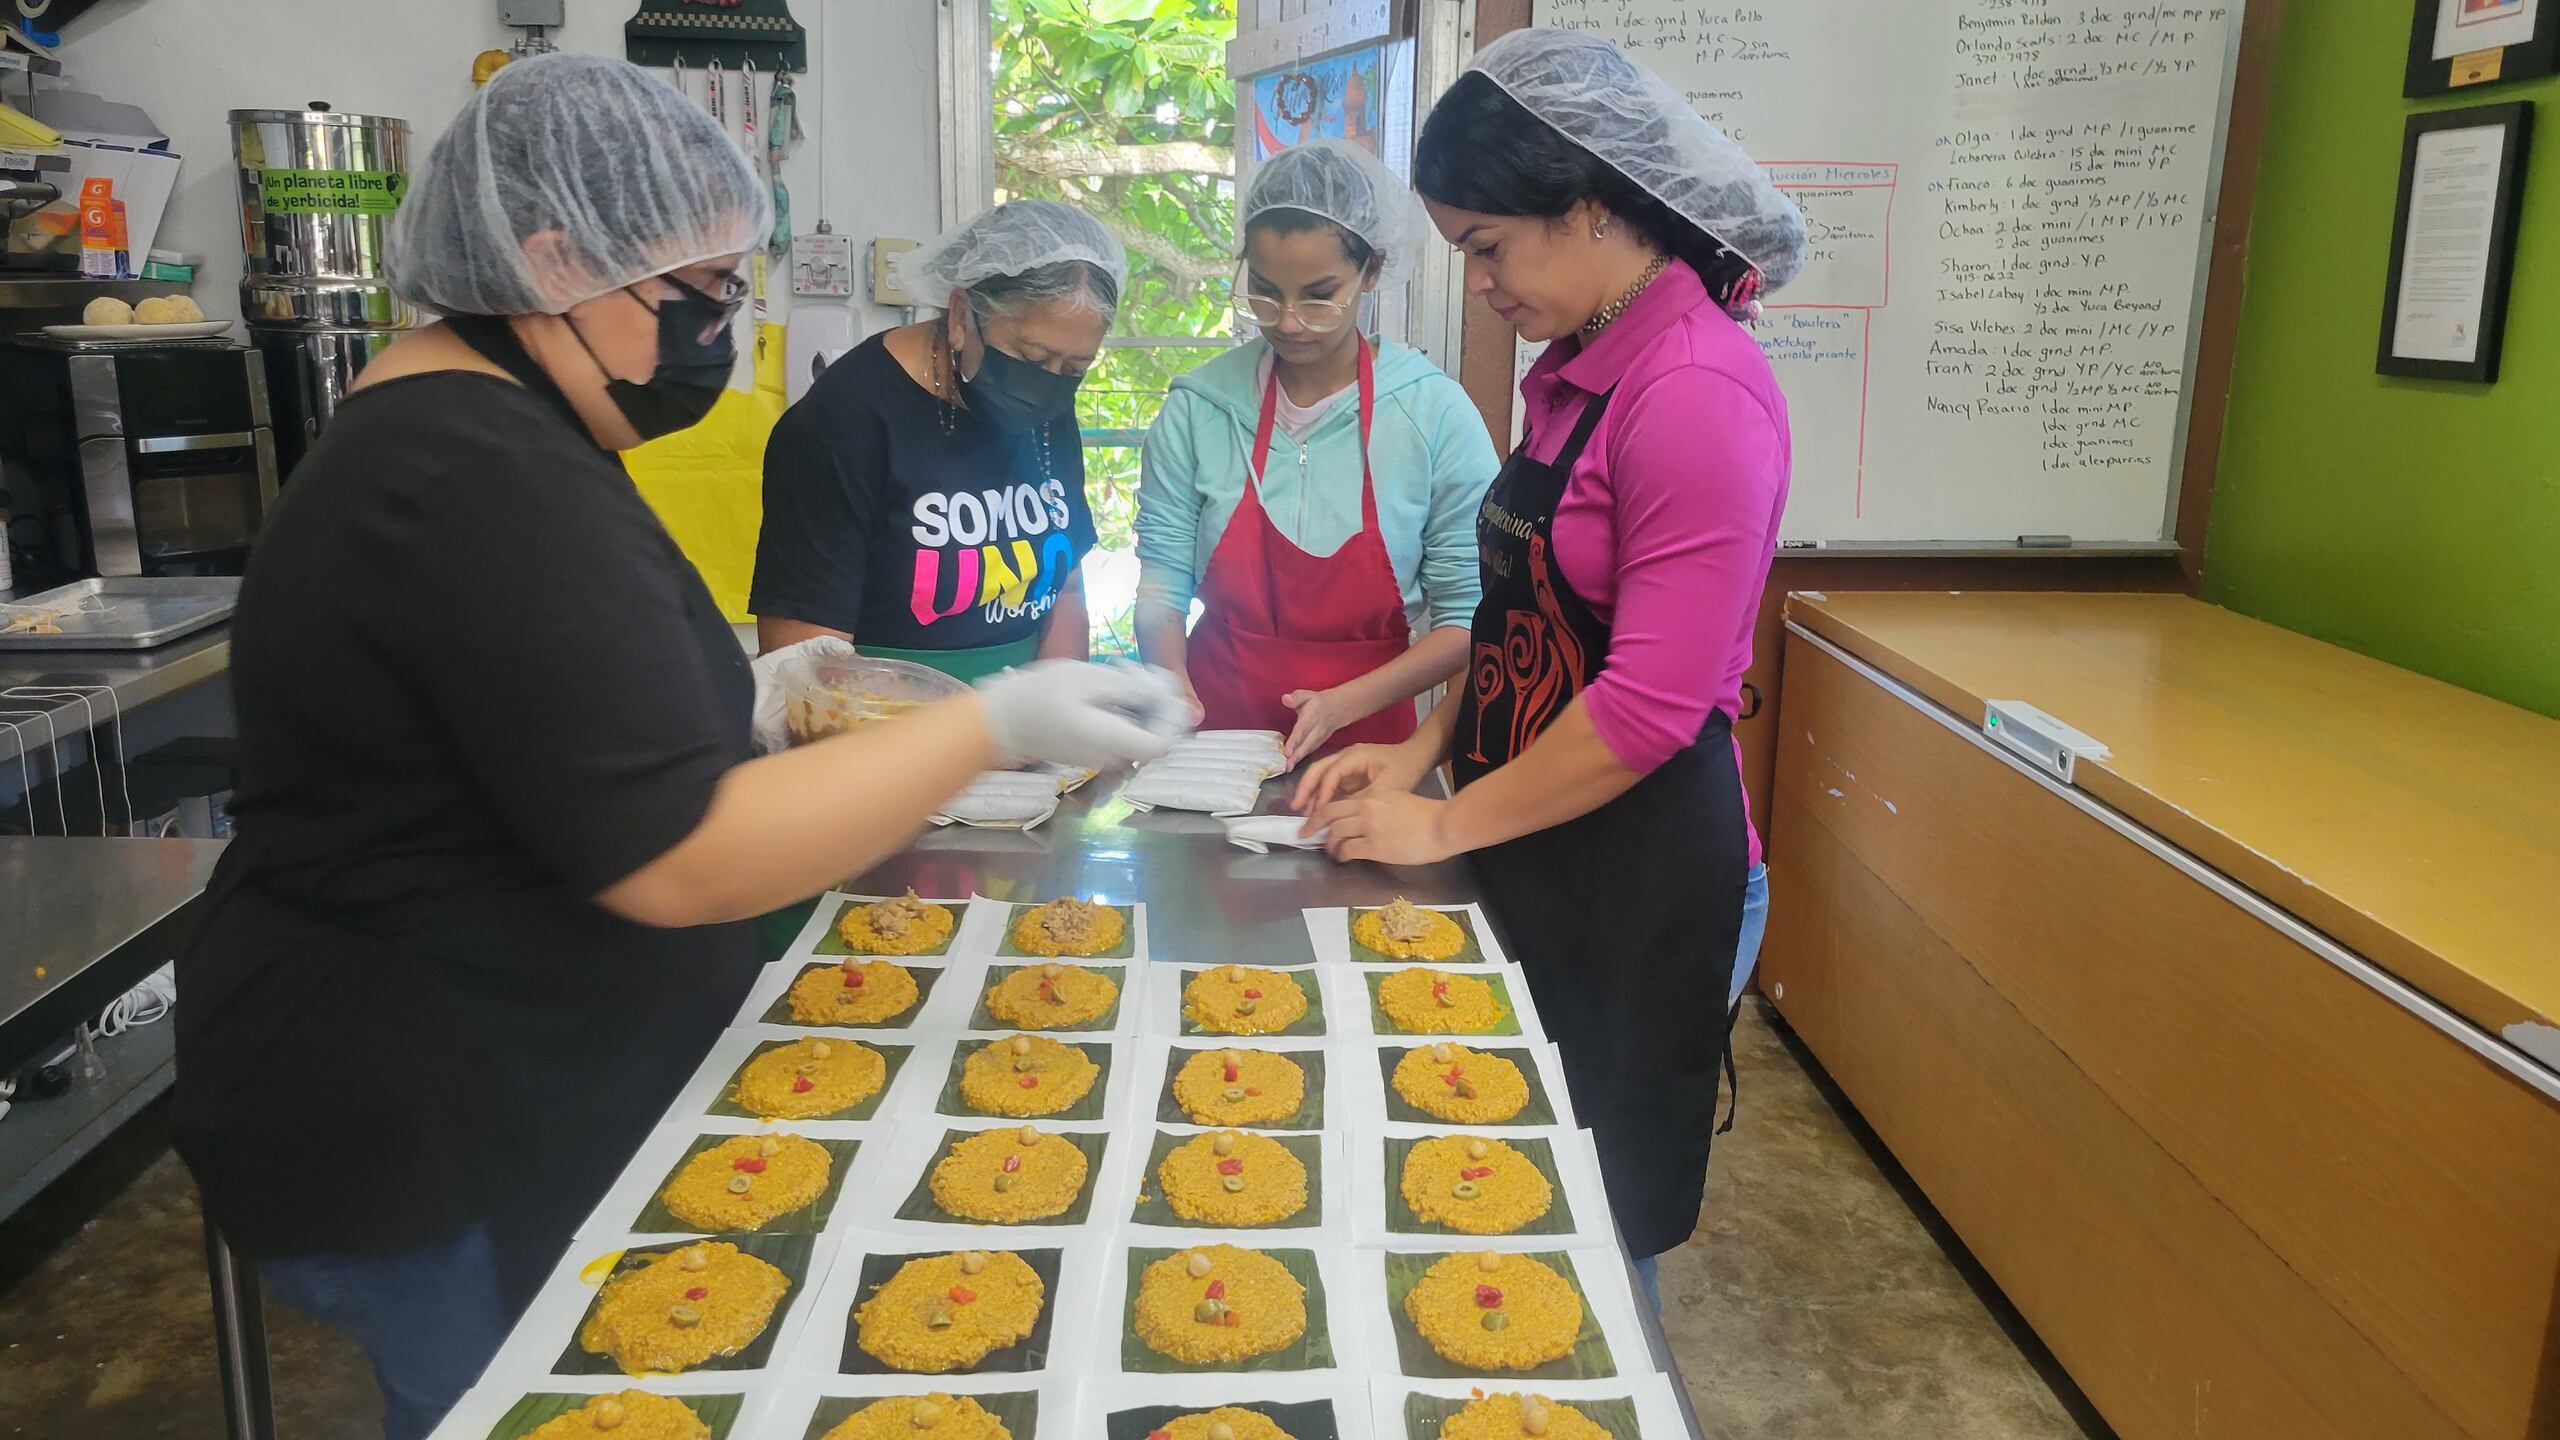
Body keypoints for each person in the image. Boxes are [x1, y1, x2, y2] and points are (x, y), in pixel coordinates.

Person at [172, 56, 1183, 1440]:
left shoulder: (482, 433)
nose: (728, 329)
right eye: (701, 297)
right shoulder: (469, 472)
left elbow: (534, 720)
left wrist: (739, 700)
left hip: (488, 1077)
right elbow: (683, 856)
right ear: (550, 260)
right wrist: (987, 723)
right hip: (428, 1118)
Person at [1296, 27, 1803, 1299]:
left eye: (1485, 248)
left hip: (1636, 873)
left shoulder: (1695, 392)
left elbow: (1644, 703)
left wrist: (1446, 819)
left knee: (1576, 1237)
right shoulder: (1575, 370)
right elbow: (1526, 613)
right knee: (1482, 1191)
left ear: (1586, 206)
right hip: (1532, 832)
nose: (1477, 286)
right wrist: (1417, 756)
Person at [1135, 140, 1498, 764]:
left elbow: (1469, 617)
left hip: (1371, 744)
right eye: (1266, 291)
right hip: (1208, 736)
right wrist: (1173, 691)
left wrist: (1345, 702)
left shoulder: (1434, 415)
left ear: (1373, 271)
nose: (1289, 322)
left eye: (1319, 294)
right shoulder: (1200, 408)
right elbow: (1163, 581)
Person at [752, 201, 1122, 679]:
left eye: (1075, 369)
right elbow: (804, 667)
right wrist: (970, 736)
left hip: (1025, 737)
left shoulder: (1046, 407)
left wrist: (1061, 709)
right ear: (960, 315)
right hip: (882, 730)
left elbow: (1066, 586)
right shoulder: (843, 423)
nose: (1049, 384)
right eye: (1031, 356)